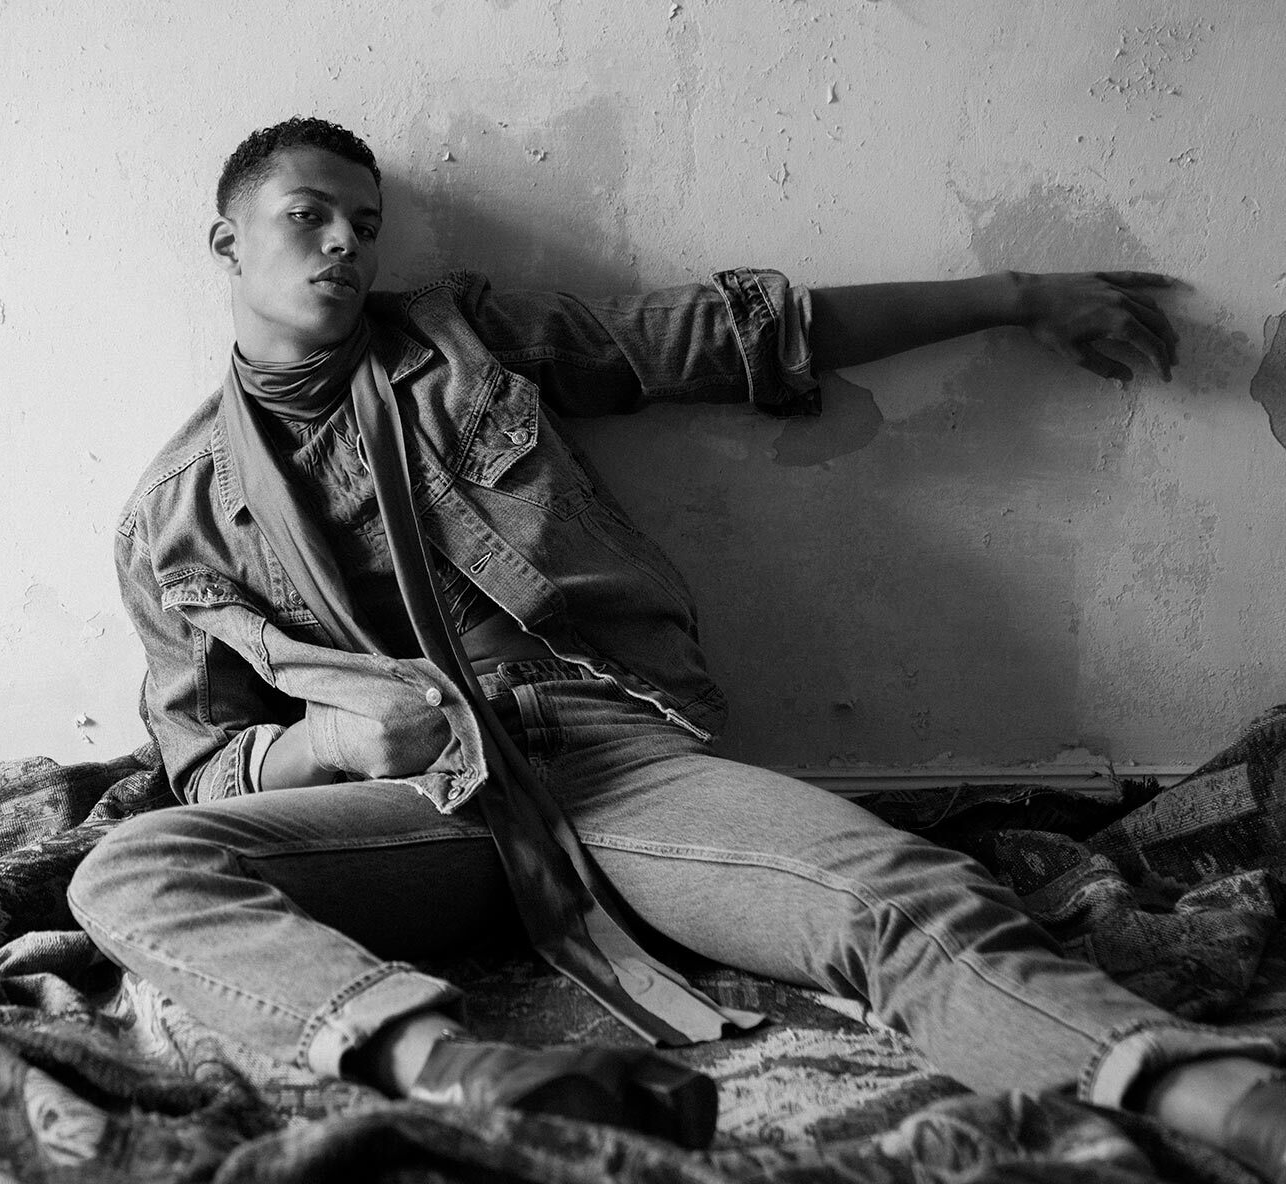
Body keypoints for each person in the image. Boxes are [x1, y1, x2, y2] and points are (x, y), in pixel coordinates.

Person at [68, 116, 1286, 1174]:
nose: (344, 242)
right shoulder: (170, 517)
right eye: (308, 214)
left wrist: (1015, 296)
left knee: (896, 889)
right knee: (130, 869)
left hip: (606, 755)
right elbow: (207, 767)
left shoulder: (463, 337)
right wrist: (331, 741)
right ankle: (460, 1069)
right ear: (228, 240)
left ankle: (1229, 1098)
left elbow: (728, 335)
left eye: (366, 223)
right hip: (422, 801)